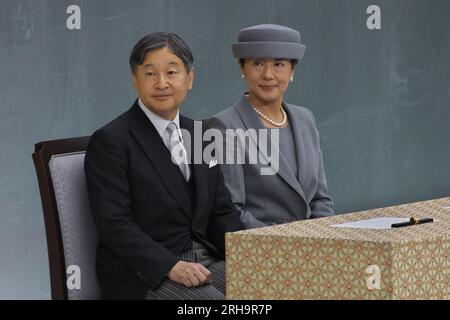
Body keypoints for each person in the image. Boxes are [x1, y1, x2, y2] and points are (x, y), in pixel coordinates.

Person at [84, 32, 244, 300]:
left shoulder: (201, 135)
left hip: (205, 259)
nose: (162, 83)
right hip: (143, 273)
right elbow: (114, 225)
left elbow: (221, 212)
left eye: (172, 72)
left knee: (270, 286)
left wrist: (252, 258)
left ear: (189, 79)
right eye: (150, 74)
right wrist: (170, 266)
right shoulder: (111, 141)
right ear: (135, 79)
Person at [207, 24, 334, 229]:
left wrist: (323, 241)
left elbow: (321, 201)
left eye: (279, 64)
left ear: (292, 70)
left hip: (314, 247)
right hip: (262, 251)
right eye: (257, 64)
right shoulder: (222, 126)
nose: (268, 74)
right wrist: (282, 246)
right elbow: (231, 210)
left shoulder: (305, 118)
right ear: (242, 69)